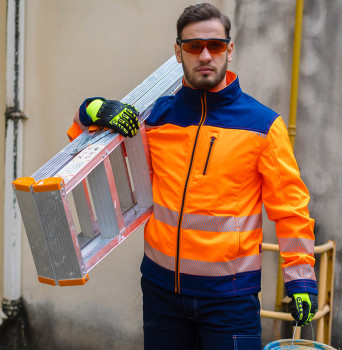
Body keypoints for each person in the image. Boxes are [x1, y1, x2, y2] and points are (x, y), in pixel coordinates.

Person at [68, 3, 318, 349]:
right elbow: (86, 152)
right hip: (161, 293)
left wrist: (301, 280)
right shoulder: (155, 118)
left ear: (230, 50)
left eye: (214, 46)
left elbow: (291, 209)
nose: (204, 55)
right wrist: (91, 110)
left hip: (230, 299)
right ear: (178, 52)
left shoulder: (263, 126)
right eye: (193, 46)